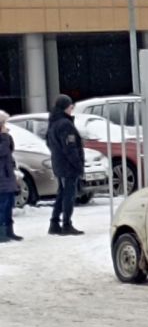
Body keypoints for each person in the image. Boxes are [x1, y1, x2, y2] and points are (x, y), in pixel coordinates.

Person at [46, 95, 85, 236]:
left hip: (59, 164)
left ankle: (54, 223)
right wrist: (78, 165)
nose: (71, 109)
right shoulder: (65, 124)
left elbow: (49, 143)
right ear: (65, 108)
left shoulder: (53, 123)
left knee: (62, 193)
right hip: (68, 166)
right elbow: (70, 148)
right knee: (69, 194)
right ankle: (66, 224)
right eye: (70, 107)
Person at [0, 110, 22, 243]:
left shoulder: (4, 138)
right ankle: (2, 232)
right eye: (3, 123)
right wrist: (4, 137)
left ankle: (9, 230)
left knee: (9, 204)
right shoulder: (2, 138)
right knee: (2, 206)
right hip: (1, 176)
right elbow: (2, 151)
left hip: (7, 175)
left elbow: (10, 149)